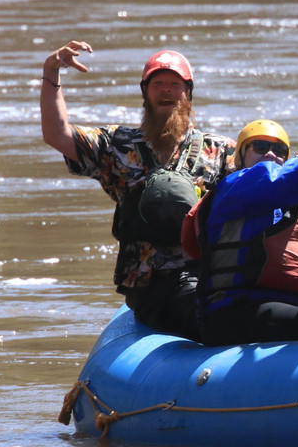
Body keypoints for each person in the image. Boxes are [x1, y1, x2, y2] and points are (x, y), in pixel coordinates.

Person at [40, 42, 234, 340]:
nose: (166, 90)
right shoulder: (117, 145)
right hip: (152, 285)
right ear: (145, 94)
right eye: (157, 84)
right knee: (211, 314)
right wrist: (51, 72)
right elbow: (57, 134)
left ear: (188, 93)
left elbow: (262, 181)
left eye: (175, 84)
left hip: (210, 275)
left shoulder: (220, 150)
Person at [186, 119, 298, 345]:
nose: (270, 154)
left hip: (289, 304)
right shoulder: (231, 188)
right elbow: (273, 179)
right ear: (240, 157)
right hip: (233, 309)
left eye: (279, 150)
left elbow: (289, 185)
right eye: (260, 146)